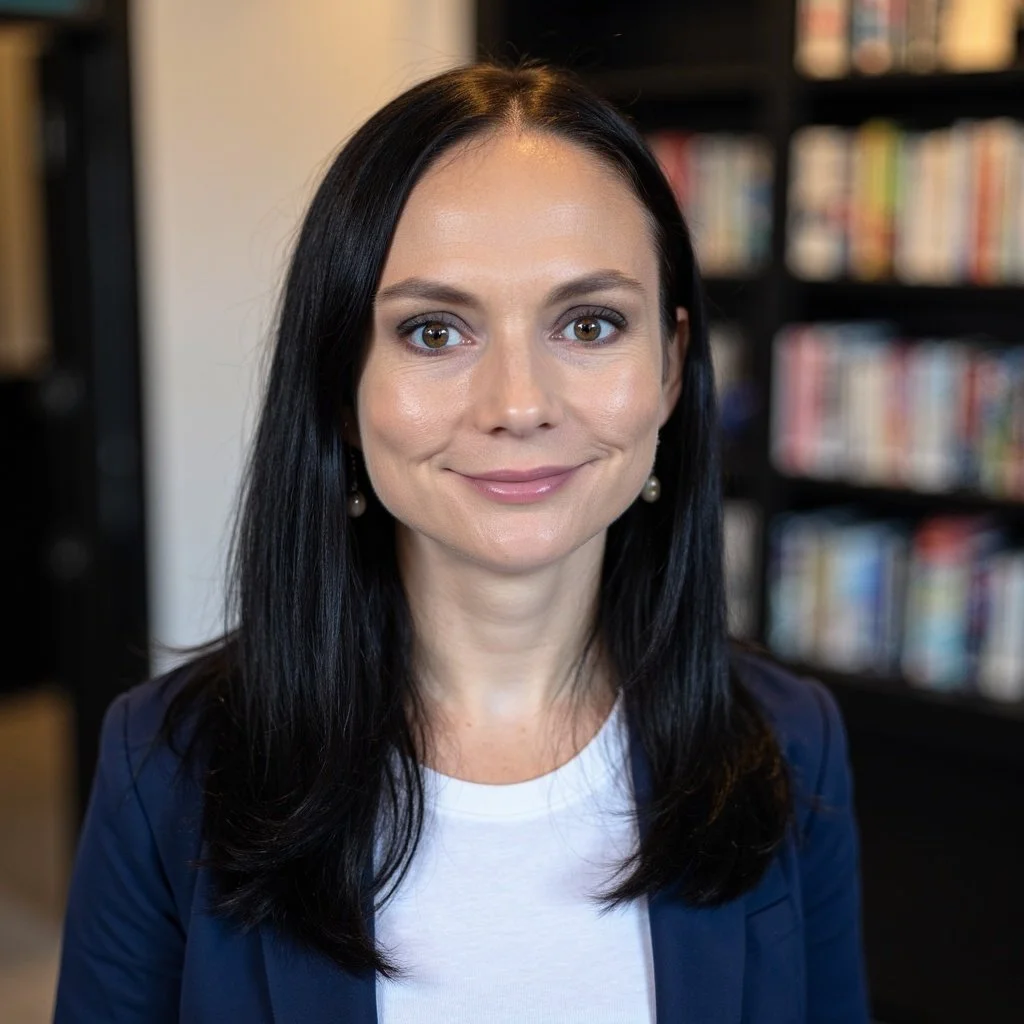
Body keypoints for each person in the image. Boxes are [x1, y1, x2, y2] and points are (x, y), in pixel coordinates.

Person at [52, 61, 870, 1023]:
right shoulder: (164, 767)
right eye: (436, 332)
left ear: (672, 367)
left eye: (591, 322)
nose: (518, 405)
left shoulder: (788, 743)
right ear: (341, 387)